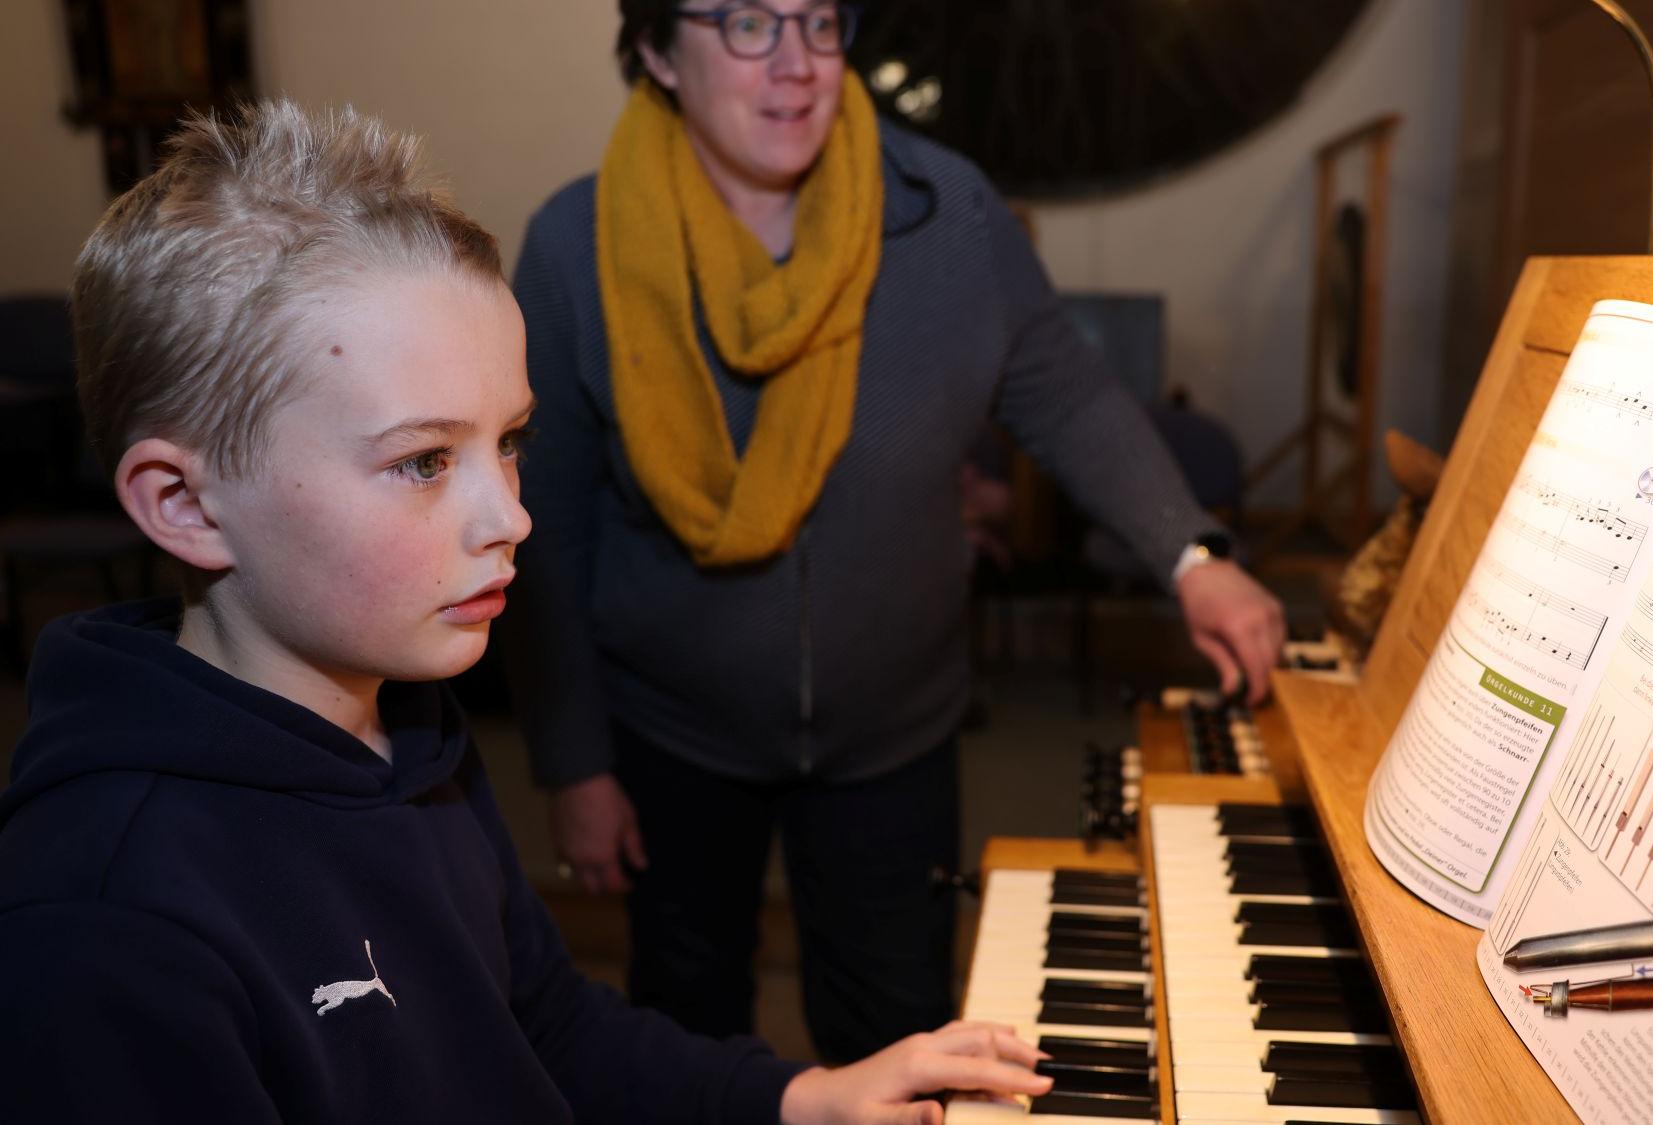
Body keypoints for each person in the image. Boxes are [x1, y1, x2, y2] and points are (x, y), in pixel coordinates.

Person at [0, 98, 1050, 1124]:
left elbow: (543, 1031)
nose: (510, 515)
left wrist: (796, 1095)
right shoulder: (104, 920)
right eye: (422, 460)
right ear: (184, 504)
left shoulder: (409, 725)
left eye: (509, 442)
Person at [503, 0, 1289, 1062]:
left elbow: (1064, 393)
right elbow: (545, 532)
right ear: (655, 50)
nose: (795, 65)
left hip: (896, 740)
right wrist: (575, 763)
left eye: (818, 21)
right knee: (685, 1026)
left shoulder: (945, 212)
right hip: (670, 740)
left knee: (900, 1030)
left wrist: (1193, 558)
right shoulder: (572, 247)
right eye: (745, 22)